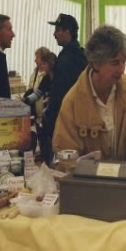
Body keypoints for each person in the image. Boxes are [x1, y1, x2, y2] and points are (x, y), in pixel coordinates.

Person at [53, 25, 126, 162]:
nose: (121, 70)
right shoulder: (72, 103)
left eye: (123, 62)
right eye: (115, 63)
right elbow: (65, 154)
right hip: (87, 182)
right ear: (96, 63)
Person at [43, 13, 87, 162]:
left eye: (57, 30)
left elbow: (59, 96)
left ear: (67, 32)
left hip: (65, 122)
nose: (54, 34)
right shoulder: (83, 56)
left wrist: (49, 121)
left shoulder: (65, 60)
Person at [24, 46, 50, 153]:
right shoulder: (34, 73)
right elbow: (31, 89)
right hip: (35, 113)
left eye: (37, 57)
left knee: (46, 140)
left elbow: (39, 93)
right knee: (37, 136)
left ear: (43, 59)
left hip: (44, 113)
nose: (35, 60)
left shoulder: (48, 75)